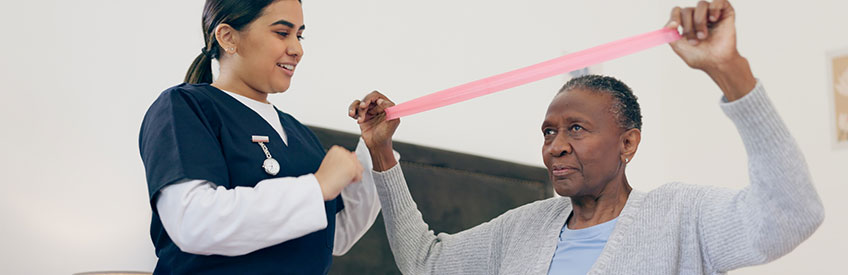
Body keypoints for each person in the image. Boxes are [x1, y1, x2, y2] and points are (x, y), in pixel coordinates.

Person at [349, 0, 824, 274]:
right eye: (549, 132)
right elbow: (423, 262)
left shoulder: (682, 217)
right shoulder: (522, 230)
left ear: (628, 143)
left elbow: (792, 215)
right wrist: (382, 152)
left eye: (576, 128)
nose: (555, 145)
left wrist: (730, 71)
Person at [139, 0, 382, 273]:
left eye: (299, 35)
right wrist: (318, 186)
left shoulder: (300, 135)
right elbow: (192, 221)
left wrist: (376, 146)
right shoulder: (185, 107)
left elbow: (335, 237)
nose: (297, 49)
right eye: (282, 32)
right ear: (228, 37)